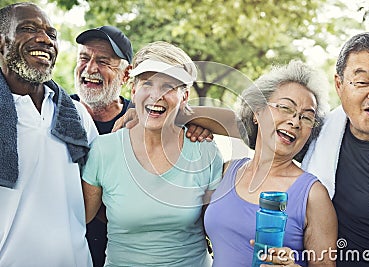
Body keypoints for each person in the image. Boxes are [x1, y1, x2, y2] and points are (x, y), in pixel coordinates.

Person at [81, 41, 224, 266]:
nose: (156, 95)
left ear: (184, 96)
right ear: (134, 89)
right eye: (148, 83)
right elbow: (80, 219)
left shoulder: (204, 150)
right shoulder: (104, 150)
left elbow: (218, 230)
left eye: (169, 86)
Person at [202, 60, 337, 266]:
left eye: (307, 118)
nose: (295, 122)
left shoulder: (314, 195)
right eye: (285, 107)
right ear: (257, 112)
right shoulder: (227, 169)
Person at [0, 3, 97, 267]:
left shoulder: (77, 115)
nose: (44, 40)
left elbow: (97, 188)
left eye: (52, 35)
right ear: (1, 43)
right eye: (28, 29)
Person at [302, 32, 369, 266]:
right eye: (362, 82)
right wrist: (197, 119)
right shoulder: (315, 133)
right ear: (339, 84)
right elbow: (255, 128)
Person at [72, 25, 133, 267]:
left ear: (126, 76)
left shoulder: (142, 121)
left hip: (126, 256)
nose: (90, 68)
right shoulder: (55, 113)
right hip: (69, 253)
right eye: (84, 58)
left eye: (103, 61)